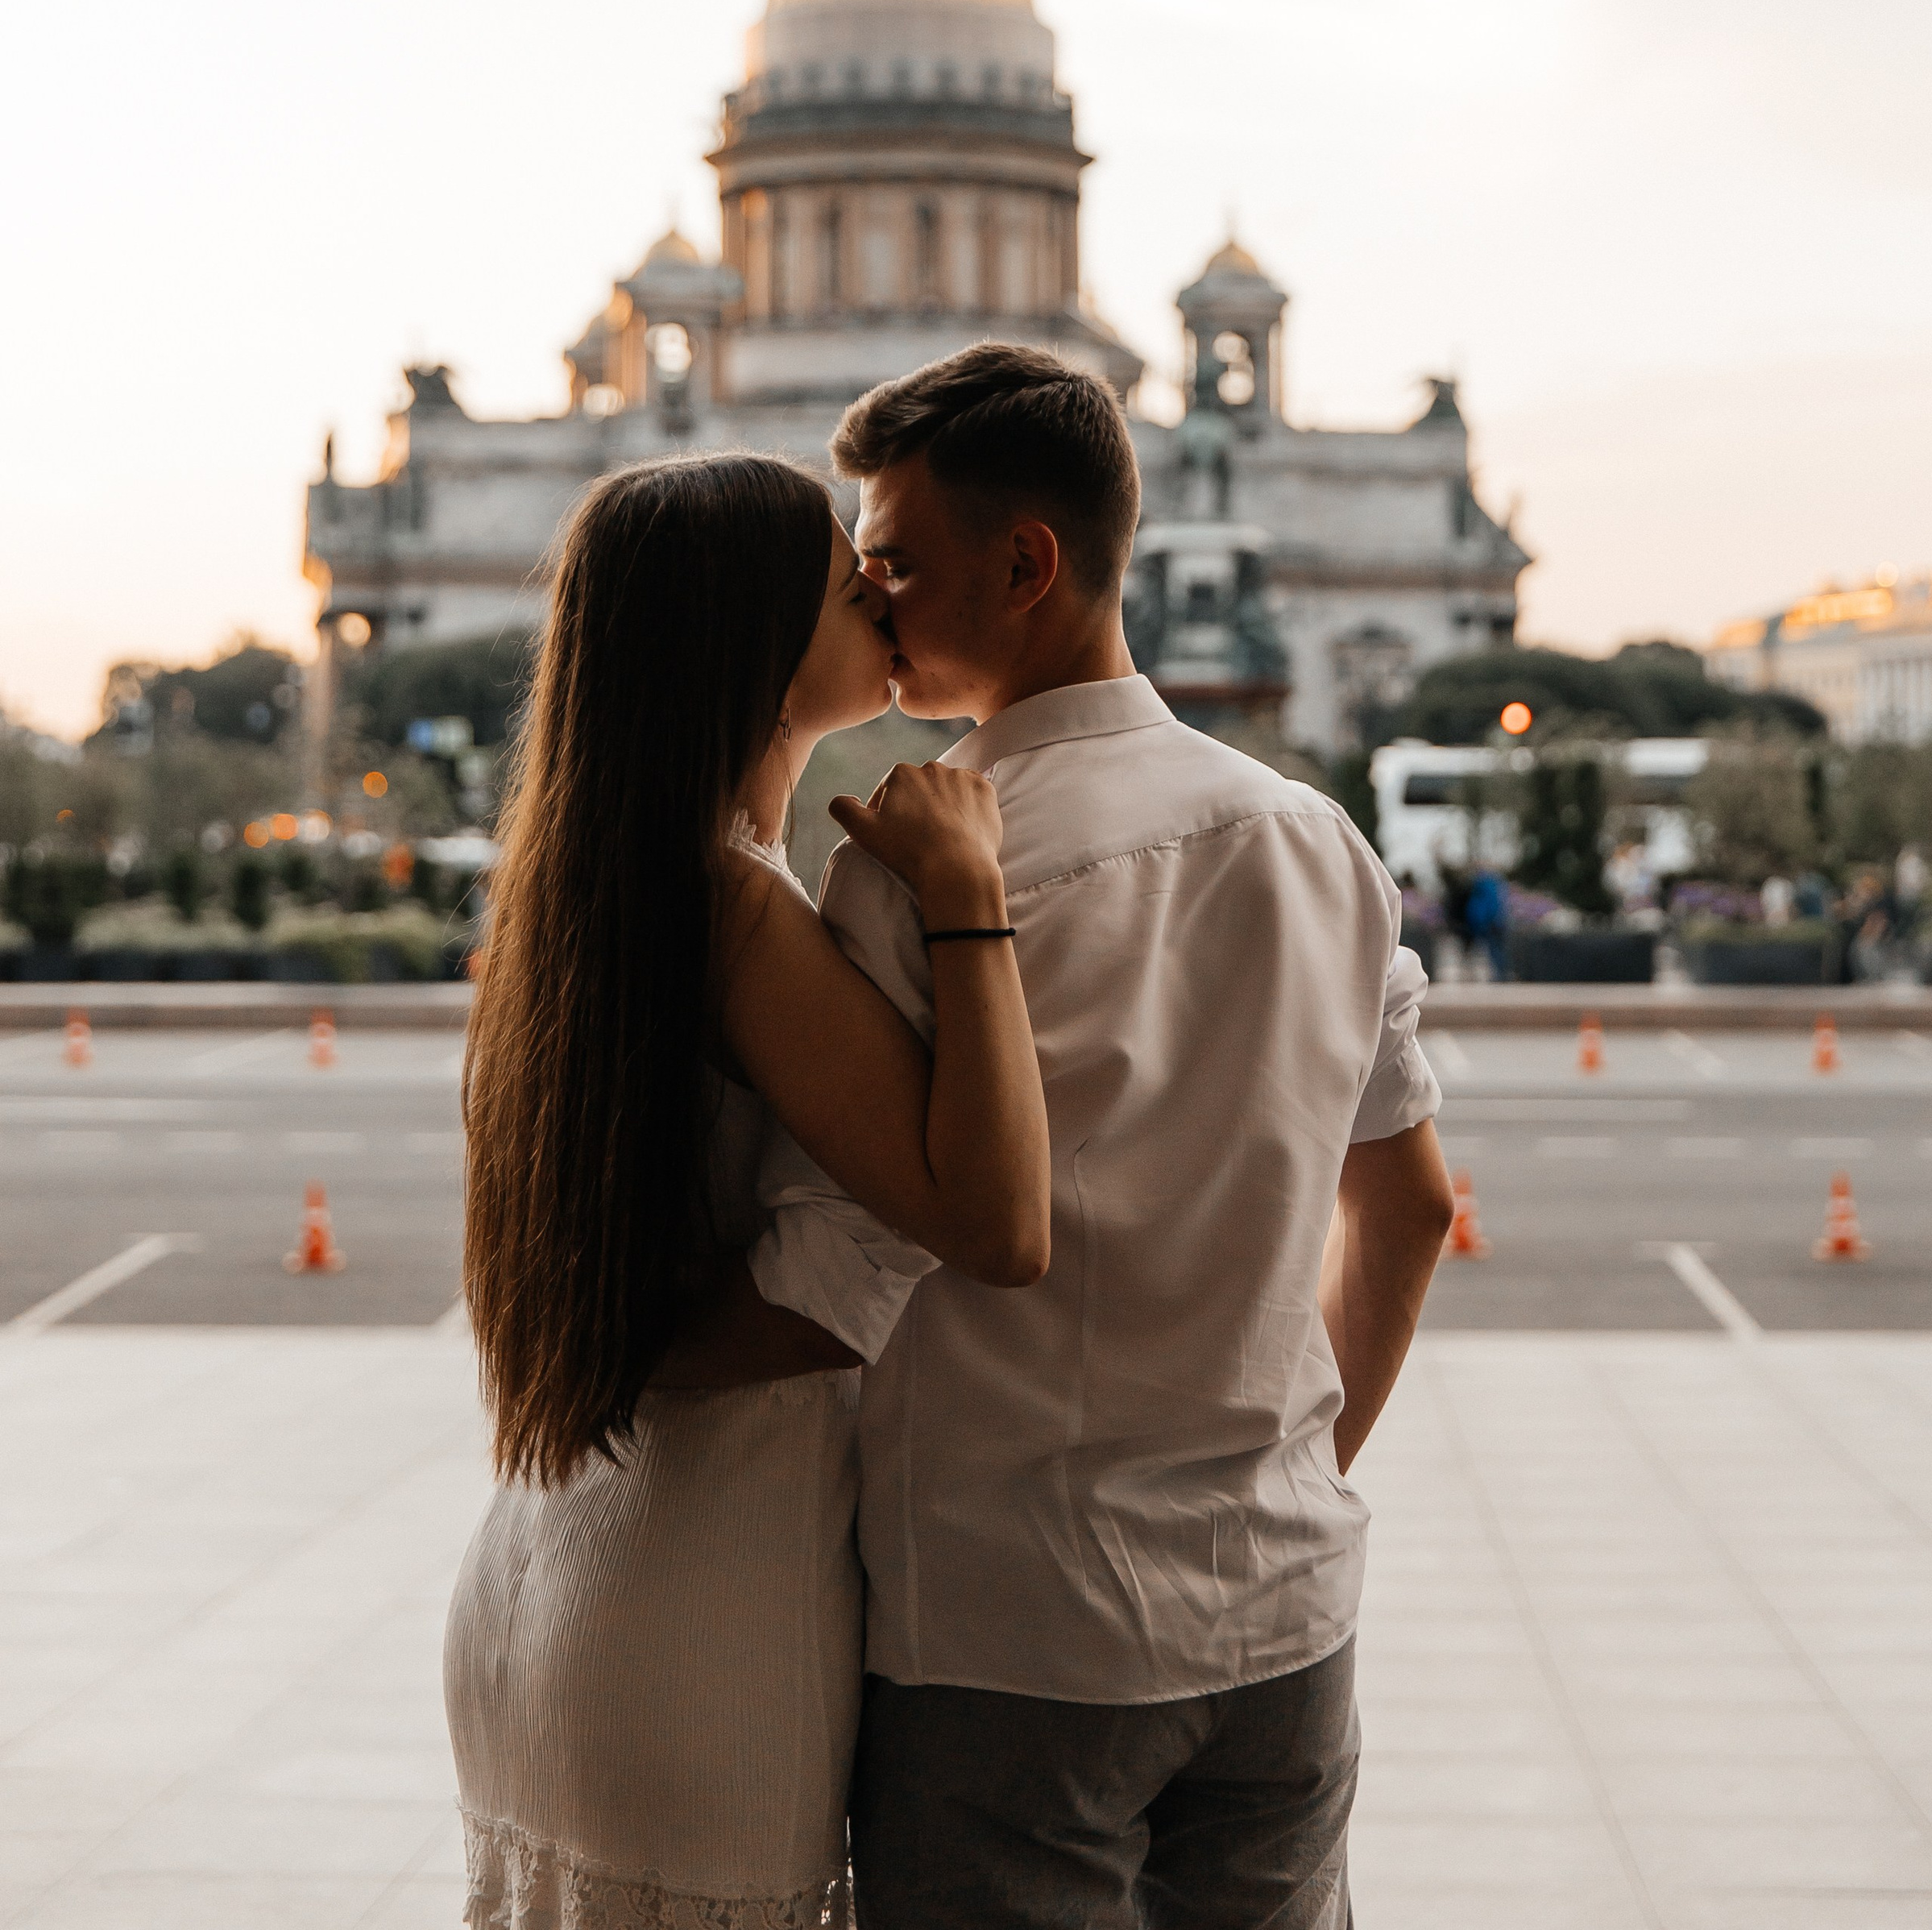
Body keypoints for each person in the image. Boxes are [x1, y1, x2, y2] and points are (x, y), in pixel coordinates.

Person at [752, 343, 1455, 1930]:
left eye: (895, 565)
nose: (869, 602)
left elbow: (831, 1267)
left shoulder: (921, 874)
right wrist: (1288, 1468)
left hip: (1012, 1637)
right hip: (1282, 1615)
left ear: (1024, 565)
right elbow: (1407, 1208)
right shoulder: (1318, 845)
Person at [444, 450, 1051, 1930]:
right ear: (758, 651)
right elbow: (991, 1223)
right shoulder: (730, 901)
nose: (889, 604)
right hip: (700, 1610)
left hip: (550, 1574)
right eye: (857, 590)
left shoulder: (582, 888)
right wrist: (969, 901)